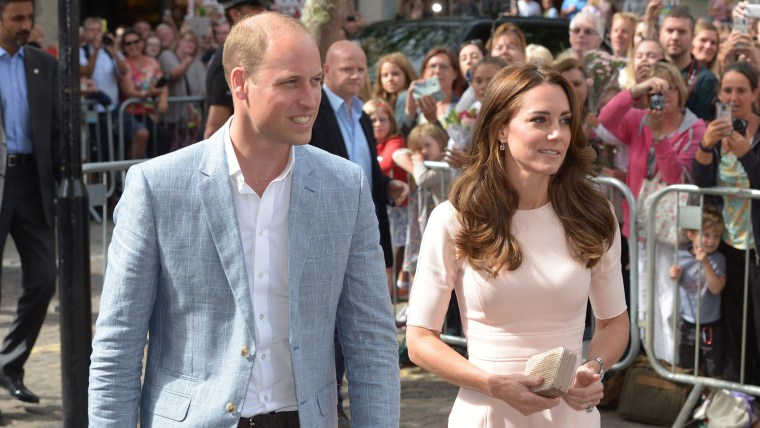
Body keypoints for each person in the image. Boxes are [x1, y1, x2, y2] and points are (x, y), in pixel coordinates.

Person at [88, 12, 401, 426]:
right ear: (240, 83)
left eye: (315, 82)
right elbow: (118, 348)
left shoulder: (345, 186)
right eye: (290, 82)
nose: (310, 100)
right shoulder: (157, 187)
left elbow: (371, 341)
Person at [406, 63, 629, 426]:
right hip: (487, 413)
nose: (556, 134)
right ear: (501, 130)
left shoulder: (594, 214)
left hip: (572, 416)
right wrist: (492, 384)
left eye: (565, 120)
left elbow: (615, 322)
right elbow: (419, 340)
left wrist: (594, 367)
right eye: (540, 120)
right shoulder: (454, 218)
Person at [308, 39, 409, 427]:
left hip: (367, 235)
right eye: (347, 68)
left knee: (365, 324)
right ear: (327, 71)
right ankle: (328, 407)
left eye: (361, 67)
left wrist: (387, 187)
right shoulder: (314, 114)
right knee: (330, 328)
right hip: (326, 238)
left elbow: (362, 171)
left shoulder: (363, 116)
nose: (356, 75)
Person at [599, 61, 704, 364]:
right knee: (642, 295)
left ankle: (669, 364)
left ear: (679, 91)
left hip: (673, 230)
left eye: (669, 88)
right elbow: (605, 122)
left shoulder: (695, 128)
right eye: (656, 89)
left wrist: (660, 139)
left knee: (669, 299)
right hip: (641, 225)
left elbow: (676, 177)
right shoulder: (639, 119)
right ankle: (648, 361)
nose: (663, 96)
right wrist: (635, 91)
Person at [0, 0, 59, 405]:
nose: (26, 25)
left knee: (43, 279)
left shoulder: (43, 64)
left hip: (32, 184)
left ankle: (10, 364)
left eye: (29, 18)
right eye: (16, 18)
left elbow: (59, 126)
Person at [692, 61, 760, 383]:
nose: (733, 98)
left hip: (757, 246)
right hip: (731, 244)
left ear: (755, 93)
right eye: (727, 91)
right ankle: (742, 397)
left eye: (741, 91)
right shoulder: (715, 131)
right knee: (736, 327)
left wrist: (747, 153)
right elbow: (701, 184)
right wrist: (706, 145)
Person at [668, 205, 726, 378]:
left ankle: (710, 398)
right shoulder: (681, 256)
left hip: (711, 324)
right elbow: (676, 280)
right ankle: (686, 395)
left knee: (712, 364)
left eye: (716, 236)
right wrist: (673, 275)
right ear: (691, 234)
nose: (711, 240)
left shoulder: (719, 259)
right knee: (686, 363)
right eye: (706, 235)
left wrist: (706, 264)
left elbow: (716, 288)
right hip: (688, 322)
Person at [364, 98, 409, 296]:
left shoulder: (395, 140)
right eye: (373, 120)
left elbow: (387, 161)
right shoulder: (367, 141)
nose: (378, 125)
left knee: (395, 252)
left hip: (398, 209)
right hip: (375, 209)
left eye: (383, 120)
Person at [203, 0, 267, 139]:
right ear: (235, 14)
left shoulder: (246, 52)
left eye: (265, 5)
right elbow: (214, 128)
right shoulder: (231, 58)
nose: (263, 10)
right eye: (255, 6)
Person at [80, 16, 129, 161]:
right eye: (92, 30)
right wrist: (95, 51)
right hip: (92, 109)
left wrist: (113, 50)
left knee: (114, 146)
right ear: (85, 32)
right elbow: (86, 73)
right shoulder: (82, 51)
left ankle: (115, 179)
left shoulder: (109, 50)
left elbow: (124, 71)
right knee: (97, 149)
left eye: (98, 30)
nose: (96, 34)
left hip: (112, 107)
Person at [659, 6, 718, 120]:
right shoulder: (652, 72)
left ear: (692, 37)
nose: (675, 37)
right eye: (669, 31)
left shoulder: (705, 80)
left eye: (682, 32)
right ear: (659, 34)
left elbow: (701, 130)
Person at [118, 29, 169, 159]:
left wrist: (163, 100)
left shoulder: (151, 61)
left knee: (161, 138)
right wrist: (148, 93)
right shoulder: (124, 64)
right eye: (128, 44)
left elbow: (163, 83)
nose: (133, 46)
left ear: (142, 43)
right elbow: (129, 91)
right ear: (123, 47)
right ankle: (130, 172)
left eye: (136, 42)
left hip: (149, 112)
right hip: (130, 111)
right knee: (143, 134)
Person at [158, 30, 205, 151]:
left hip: (192, 117)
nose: (191, 45)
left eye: (194, 43)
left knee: (191, 150)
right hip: (173, 116)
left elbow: (203, 88)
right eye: (188, 40)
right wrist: (186, 62)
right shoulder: (167, 55)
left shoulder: (197, 63)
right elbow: (174, 74)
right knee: (174, 152)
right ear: (179, 41)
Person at [372, 51, 417, 125]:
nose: (390, 79)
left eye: (395, 74)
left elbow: (399, 130)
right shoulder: (381, 101)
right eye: (385, 75)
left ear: (406, 75)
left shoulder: (406, 96)